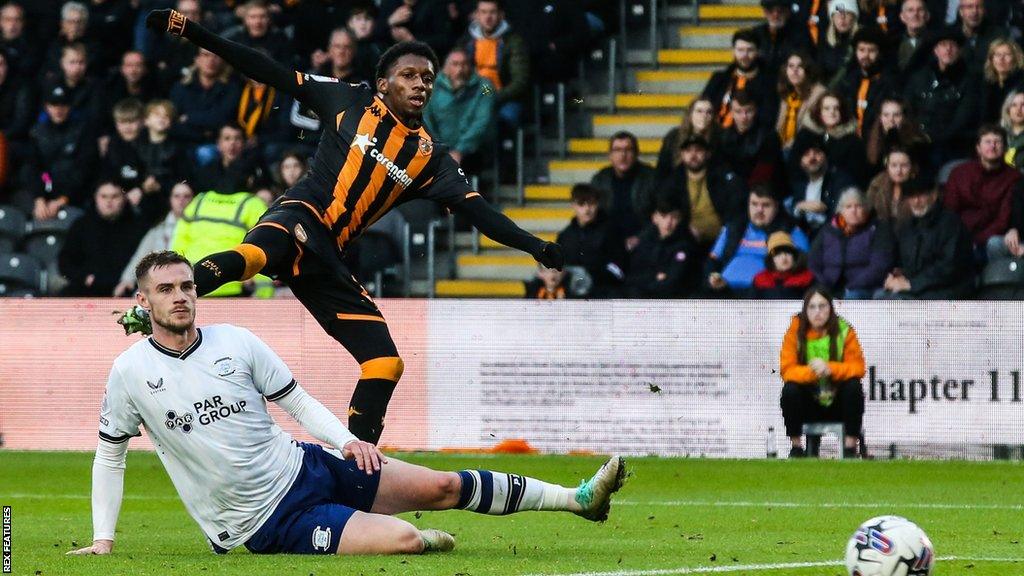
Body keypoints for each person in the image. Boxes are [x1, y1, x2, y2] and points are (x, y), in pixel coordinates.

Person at [141, 9, 563, 444]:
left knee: (385, 363)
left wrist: (534, 245)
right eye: (410, 75)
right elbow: (269, 70)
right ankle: (159, 304)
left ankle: (357, 462)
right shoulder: (349, 100)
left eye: (428, 78)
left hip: (329, 255)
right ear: (384, 84)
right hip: (298, 214)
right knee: (257, 255)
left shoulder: (431, 160)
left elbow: (481, 213)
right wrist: (193, 31)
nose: (421, 84)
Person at [73, 251, 625, 557]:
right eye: (166, 289)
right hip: (269, 521)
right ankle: (403, 536)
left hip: (308, 464)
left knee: (442, 487)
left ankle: (580, 499)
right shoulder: (130, 374)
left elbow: (298, 402)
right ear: (142, 301)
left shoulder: (236, 340)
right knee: (407, 538)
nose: (181, 297)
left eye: (188, 286)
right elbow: (110, 455)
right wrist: (104, 540)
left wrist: (346, 442)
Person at [779, 286, 866, 458]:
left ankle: (849, 448)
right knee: (790, 390)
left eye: (822, 306)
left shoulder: (844, 330)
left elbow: (858, 368)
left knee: (854, 387)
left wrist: (829, 369)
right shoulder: (794, 331)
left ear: (830, 308)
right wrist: (814, 372)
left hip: (837, 401)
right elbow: (787, 370)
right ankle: (796, 447)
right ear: (805, 310)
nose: (817, 312)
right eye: (812, 307)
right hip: (809, 402)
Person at [876, 176, 975, 299]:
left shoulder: (950, 223)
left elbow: (949, 267)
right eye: (912, 196)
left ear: (933, 196)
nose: (916, 201)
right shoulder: (907, 225)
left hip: (949, 289)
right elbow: (908, 263)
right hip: (921, 287)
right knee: (879, 296)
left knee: (896, 302)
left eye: (921, 195)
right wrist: (898, 275)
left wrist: (912, 284)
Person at [705, 185, 810, 296]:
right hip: (724, 291)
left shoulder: (790, 230)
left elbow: (802, 264)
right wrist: (712, 279)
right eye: (754, 204)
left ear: (776, 207)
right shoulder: (734, 227)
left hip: (764, 294)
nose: (759, 210)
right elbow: (712, 261)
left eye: (766, 205)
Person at [943, 125, 1023, 263]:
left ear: (1005, 149)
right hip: (960, 236)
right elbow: (950, 211)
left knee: (995, 244)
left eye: (997, 142)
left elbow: (1003, 218)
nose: (992, 146)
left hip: (992, 237)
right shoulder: (959, 173)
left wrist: (977, 240)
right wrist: (962, 239)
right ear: (978, 148)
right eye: (987, 142)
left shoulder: (1013, 177)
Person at [904, 28, 979, 168]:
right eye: (943, 45)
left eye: (953, 45)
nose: (948, 49)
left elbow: (961, 120)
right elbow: (908, 107)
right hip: (916, 141)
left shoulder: (969, 81)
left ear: (960, 50)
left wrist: (932, 138)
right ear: (935, 50)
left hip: (948, 146)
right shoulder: (920, 77)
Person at [58, 182, 149, 296]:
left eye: (114, 196)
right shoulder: (81, 225)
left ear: (124, 198)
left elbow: (146, 261)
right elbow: (65, 261)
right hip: (87, 288)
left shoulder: (138, 227)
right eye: (104, 196)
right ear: (96, 198)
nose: (109, 201)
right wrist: (84, 277)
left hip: (126, 289)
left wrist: (128, 281)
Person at [656, 134, 747, 248]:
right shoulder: (673, 181)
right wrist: (684, 230)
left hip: (722, 240)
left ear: (707, 154)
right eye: (688, 151)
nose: (693, 155)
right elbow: (666, 212)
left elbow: (737, 206)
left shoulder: (722, 176)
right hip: (687, 240)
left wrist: (727, 231)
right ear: (682, 155)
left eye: (698, 150)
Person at [808, 188, 894, 298]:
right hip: (829, 285)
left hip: (864, 287)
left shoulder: (878, 229)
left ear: (866, 209)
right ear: (841, 211)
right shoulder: (828, 230)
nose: (853, 210)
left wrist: (852, 286)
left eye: (858, 206)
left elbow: (879, 266)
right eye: (848, 207)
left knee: (852, 296)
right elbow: (813, 261)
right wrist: (823, 283)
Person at [115, 182, 195, 296]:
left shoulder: (200, 228)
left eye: (186, 196)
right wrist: (127, 280)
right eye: (176, 196)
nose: (181, 201)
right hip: (157, 284)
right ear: (170, 199)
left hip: (187, 283)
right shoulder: (159, 228)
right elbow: (142, 254)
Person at [459, 0, 529, 129]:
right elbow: (454, 73)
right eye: (483, 12)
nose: (488, 17)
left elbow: (520, 81)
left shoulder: (513, 42)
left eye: (492, 12)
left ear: (501, 15)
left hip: (504, 98)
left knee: (499, 121)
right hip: (474, 96)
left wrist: (493, 98)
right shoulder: (467, 41)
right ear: (476, 15)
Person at [422, 47, 495, 170]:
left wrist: (460, 150)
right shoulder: (431, 87)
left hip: (474, 149)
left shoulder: (485, 87)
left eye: (464, 64)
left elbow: (483, 119)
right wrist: (439, 148)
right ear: (446, 68)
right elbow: (426, 119)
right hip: (437, 148)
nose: (460, 69)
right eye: (455, 64)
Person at [590, 131, 658, 252]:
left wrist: (640, 238)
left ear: (636, 153)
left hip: (646, 243)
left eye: (628, 149)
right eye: (617, 150)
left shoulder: (651, 177)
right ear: (610, 155)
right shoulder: (600, 179)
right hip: (609, 243)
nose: (623, 155)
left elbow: (661, 215)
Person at [555, 184, 626, 298]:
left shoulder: (611, 232)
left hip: (602, 294)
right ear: (573, 205)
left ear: (597, 204)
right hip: (571, 296)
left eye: (591, 203)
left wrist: (590, 275)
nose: (587, 209)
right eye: (581, 204)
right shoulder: (565, 236)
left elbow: (619, 270)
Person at [623, 199, 701, 298]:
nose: (668, 222)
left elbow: (673, 280)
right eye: (664, 216)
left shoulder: (685, 245)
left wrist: (647, 282)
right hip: (638, 297)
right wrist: (654, 276)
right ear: (655, 218)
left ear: (681, 219)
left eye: (674, 217)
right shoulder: (644, 240)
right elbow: (631, 275)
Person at [785, 132, 856, 236]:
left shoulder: (840, 181)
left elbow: (846, 216)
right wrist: (799, 207)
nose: (812, 157)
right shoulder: (798, 185)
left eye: (817, 152)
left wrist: (826, 208)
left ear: (825, 156)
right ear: (800, 161)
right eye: (806, 154)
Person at [791, 91, 868, 187]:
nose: (832, 112)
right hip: (805, 188)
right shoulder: (805, 135)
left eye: (836, 108)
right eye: (826, 108)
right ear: (819, 112)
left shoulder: (853, 142)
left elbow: (854, 176)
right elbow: (794, 167)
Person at [702, 29, 776, 128]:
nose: (745, 55)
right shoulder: (719, 79)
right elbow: (704, 106)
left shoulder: (768, 82)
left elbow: (767, 118)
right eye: (740, 50)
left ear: (757, 52)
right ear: (733, 51)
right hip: (716, 135)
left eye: (750, 50)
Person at [830, 27, 896, 137]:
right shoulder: (847, 81)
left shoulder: (889, 84)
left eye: (871, 50)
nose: (865, 55)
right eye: (861, 50)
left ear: (880, 53)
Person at [717, 91, 784, 189]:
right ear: (731, 112)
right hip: (731, 190)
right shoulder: (723, 136)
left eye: (748, 111)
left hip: (763, 191)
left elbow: (765, 173)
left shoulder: (769, 137)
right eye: (738, 111)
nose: (744, 117)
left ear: (755, 110)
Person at [776, 51, 826, 153]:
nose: (794, 71)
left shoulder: (819, 94)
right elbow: (778, 127)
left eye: (800, 66)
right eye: (791, 66)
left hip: (805, 150)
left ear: (808, 70)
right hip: (782, 147)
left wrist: (783, 149)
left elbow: (807, 132)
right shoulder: (786, 93)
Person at [656, 98, 720, 179]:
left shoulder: (719, 139)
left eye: (709, 112)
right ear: (690, 114)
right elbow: (662, 170)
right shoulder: (673, 137)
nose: (704, 116)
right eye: (699, 111)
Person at [750, 0, 813, 81]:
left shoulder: (800, 35)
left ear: (788, 12)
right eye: (770, 11)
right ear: (765, 12)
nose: (775, 15)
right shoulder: (756, 34)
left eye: (780, 11)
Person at [863, 97, 930, 172]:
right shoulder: (872, 142)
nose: (891, 120)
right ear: (880, 118)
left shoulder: (917, 144)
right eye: (886, 115)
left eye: (896, 115)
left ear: (904, 118)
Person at [752, 231, 815, 298]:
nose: (784, 258)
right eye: (778, 254)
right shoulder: (760, 280)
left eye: (788, 252)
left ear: (794, 255)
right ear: (770, 259)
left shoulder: (807, 278)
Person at [954, 0, 1010, 70]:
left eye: (979, 7)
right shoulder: (950, 35)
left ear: (984, 11)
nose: (975, 11)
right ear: (961, 11)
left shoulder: (998, 35)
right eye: (969, 7)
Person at [979, 39, 1024, 126]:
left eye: (1007, 55)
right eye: (997, 55)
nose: (1001, 59)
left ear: (1015, 58)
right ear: (991, 59)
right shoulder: (987, 83)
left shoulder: (1021, 83)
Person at [866, 146, 916, 221]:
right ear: (887, 167)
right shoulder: (877, 185)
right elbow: (867, 209)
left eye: (904, 165)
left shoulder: (919, 187)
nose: (898, 171)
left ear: (912, 167)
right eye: (894, 165)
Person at [817, 0, 860, 82]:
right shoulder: (825, 41)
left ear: (854, 17)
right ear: (832, 18)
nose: (842, 18)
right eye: (838, 14)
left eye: (847, 13)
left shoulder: (861, 41)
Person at [895, 0, 931, 72]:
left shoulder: (937, 41)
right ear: (902, 17)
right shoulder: (893, 43)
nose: (915, 14)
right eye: (910, 10)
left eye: (920, 10)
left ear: (927, 16)